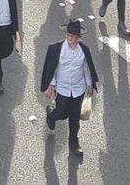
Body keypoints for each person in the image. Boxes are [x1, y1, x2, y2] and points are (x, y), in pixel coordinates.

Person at [41, 20, 99, 162]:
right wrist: (50, 86)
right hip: (62, 88)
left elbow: (86, 68)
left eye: (72, 36)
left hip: (78, 89)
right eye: (67, 35)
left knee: (74, 117)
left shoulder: (83, 50)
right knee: (62, 112)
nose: (69, 38)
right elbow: (52, 68)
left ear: (78, 37)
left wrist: (89, 85)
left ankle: (74, 141)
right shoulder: (56, 49)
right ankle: (52, 115)